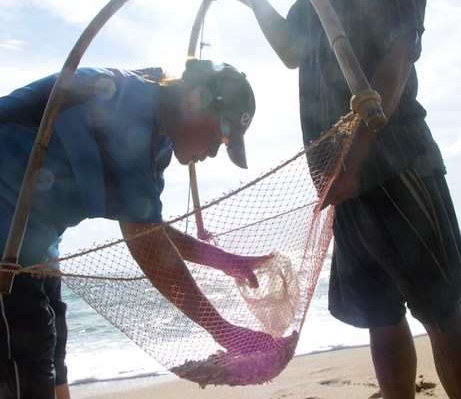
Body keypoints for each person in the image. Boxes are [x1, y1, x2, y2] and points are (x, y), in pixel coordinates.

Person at [209, 0, 461, 397]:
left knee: (439, 308)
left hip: (393, 160)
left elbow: (398, 57)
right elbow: (292, 49)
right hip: (339, 170)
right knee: (381, 311)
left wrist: (355, 160)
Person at [0, 59, 273, 399]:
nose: (215, 151)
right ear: (197, 98)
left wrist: (227, 261)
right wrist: (227, 333)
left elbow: (151, 230)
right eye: (223, 133)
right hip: (6, 245)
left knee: (51, 354)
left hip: (35, 243)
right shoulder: (127, 112)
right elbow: (149, 248)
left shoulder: (157, 134)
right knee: (26, 361)